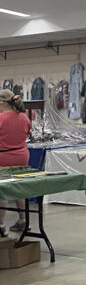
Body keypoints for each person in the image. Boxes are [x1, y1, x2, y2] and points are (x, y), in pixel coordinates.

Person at [0, 89, 31, 235]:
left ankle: (0, 225)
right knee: (20, 188)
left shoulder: (1, 118)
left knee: (2, 191)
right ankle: (23, 221)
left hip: (3, 157)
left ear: (2, 102)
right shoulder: (24, 117)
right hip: (22, 156)